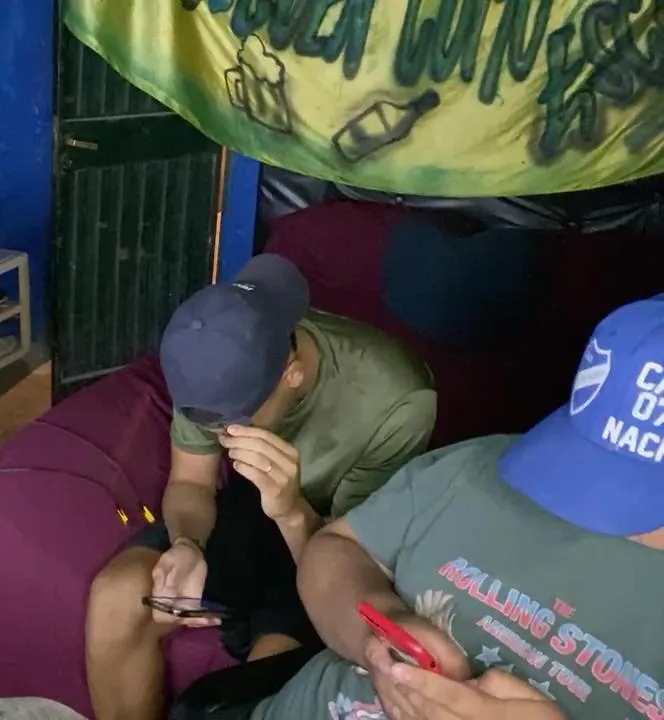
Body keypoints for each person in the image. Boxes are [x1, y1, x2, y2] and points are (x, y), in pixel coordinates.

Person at [216, 294, 664, 720]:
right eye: (587, 456)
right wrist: (378, 631)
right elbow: (336, 549)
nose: (590, 496)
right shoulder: (485, 465)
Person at [86, 253, 437, 720]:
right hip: (249, 509)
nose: (219, 435)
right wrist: (188, 543)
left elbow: (357, 563)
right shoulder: (210, 359)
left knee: (259, 679)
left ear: (292, 374)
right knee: (116, 595)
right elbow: (190, 481)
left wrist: (291, 511)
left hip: (335, 536)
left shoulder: (396, 401)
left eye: (230, 423)